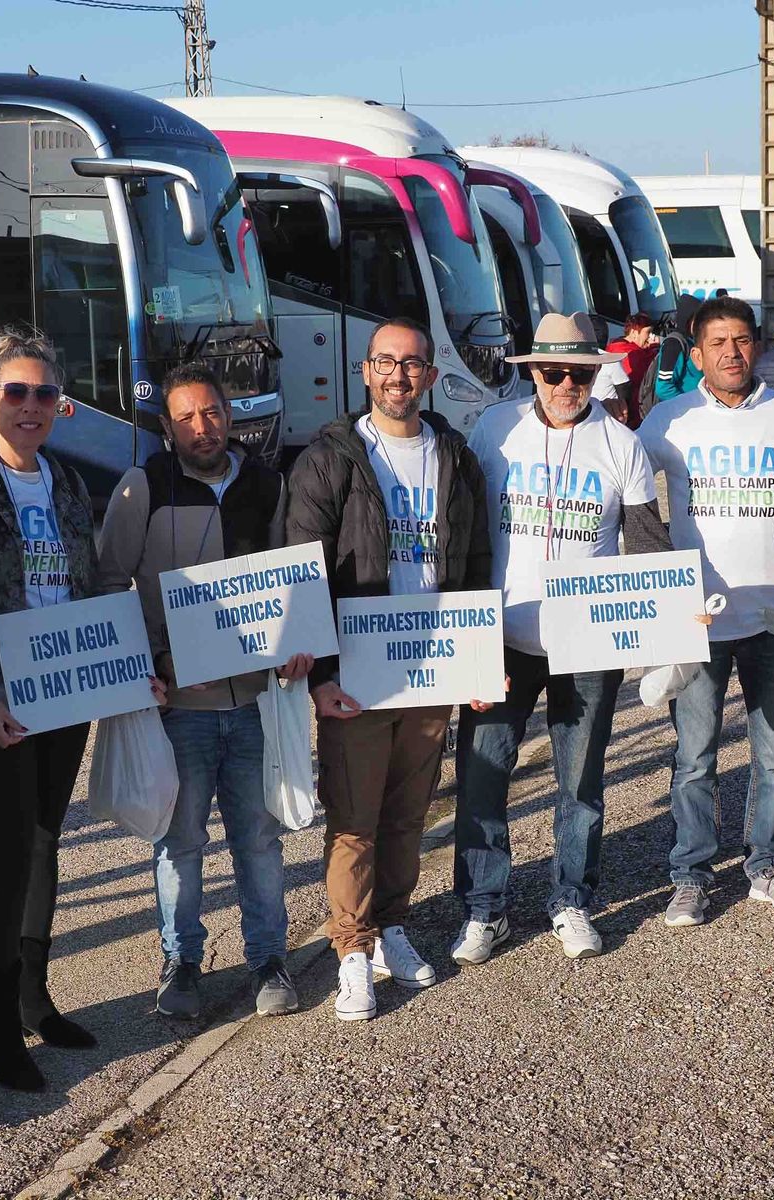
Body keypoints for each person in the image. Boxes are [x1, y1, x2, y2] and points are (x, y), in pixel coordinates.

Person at [0, 329, 118, 1092]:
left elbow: (89, 583)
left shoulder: (67, 482)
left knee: (45, 845)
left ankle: (37, 998)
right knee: (6, 858)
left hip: (63, 693)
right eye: (16, 392)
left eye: (45, 394)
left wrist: (131, 667)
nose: (31, 406)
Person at [286, 316, 492, 1021]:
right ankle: (350, 948)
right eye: (386, 362)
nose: (398, 375)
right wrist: (321, 677)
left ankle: (391, 930)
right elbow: (304, 567)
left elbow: (475, 566)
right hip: (360, 674)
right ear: (366, 371)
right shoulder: (332, 457)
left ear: (430, 375)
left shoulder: (455, 457)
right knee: (353, 818)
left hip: (433, 666)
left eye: (412, 364)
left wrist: (476, 661)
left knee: (407, 813)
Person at [452, 311, 672, 964]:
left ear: (594, 373)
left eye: (578, 372)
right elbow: (462, 530)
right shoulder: (495, 429)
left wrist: (663, 617)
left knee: (580, 782)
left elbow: (648, 545)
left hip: (589, 645)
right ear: (534, 375)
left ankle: (571, 897)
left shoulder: (621, 444)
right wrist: (463, 627)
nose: (564, 384)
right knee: (483, 774)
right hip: (504, 641)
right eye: (552, 372)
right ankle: (484, 910)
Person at [97, 363, 310, 1021]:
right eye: (185, 417)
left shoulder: (268, 486)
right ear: (166, 427)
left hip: (252, 704)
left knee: (258, 841)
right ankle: (181, 963)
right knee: (179, 843)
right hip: (179, 709)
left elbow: (292, 580)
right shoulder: (144, 488)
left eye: (211, 412)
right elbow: (107, 585)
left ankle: (269, 962)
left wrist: (299, 641)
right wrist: (143, 665)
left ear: (228, 413)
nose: (201, 427)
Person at [638, 296, 774, 925]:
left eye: (743, 341)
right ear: (696, 354)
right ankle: (690, 874)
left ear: (759, 347)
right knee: (695, 757)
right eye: (718, 343)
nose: (732, 353)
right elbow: (625, 499)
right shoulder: (669, 420)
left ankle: (767, 866)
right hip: (698, 621)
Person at [605, 313, 659, 428]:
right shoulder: (631, 354)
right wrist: (654, 349)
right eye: (648, 332)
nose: (651, 337)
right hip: (632, 415)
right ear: (634, 332)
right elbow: (643, 376)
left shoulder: (614, 347)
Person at [652, 294, 704, 405]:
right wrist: (688, 406)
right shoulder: (674, 344)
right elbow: (663, 388)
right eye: (698, 320)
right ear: (688, 319)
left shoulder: (692, 340)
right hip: (685, 413)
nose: (702, 324)